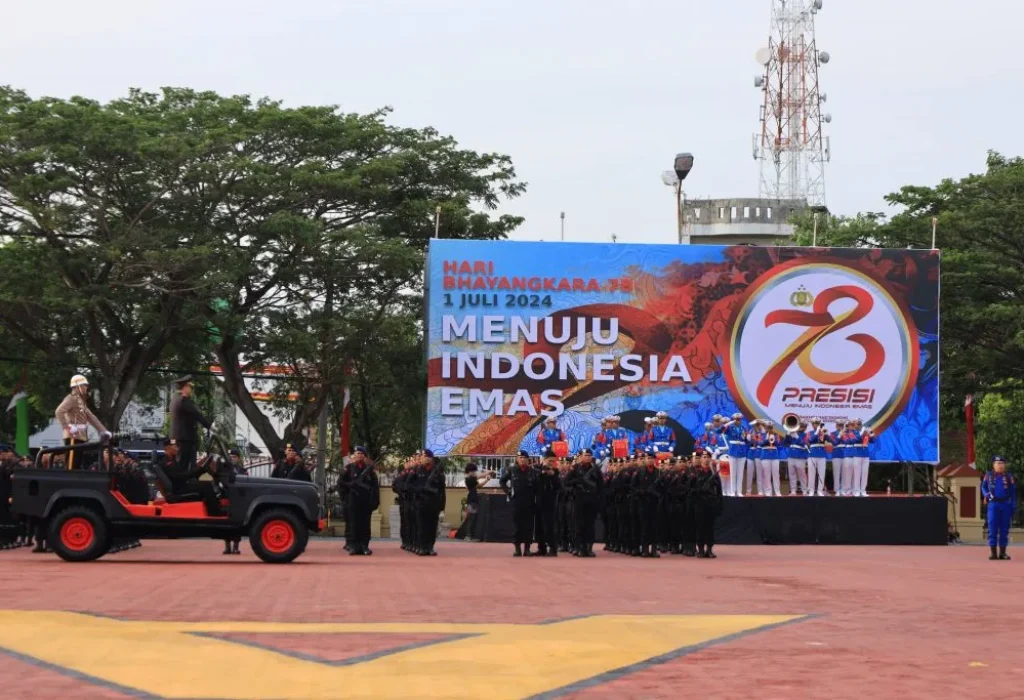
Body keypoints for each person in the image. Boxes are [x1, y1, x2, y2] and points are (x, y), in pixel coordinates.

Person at [55, 374, 112, 470]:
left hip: (80, 436)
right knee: (71, 466)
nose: (86, 387)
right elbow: (59, 411)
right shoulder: (71, 398)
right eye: (84, 385)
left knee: (76, 465)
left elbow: (91, 417)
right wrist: (66, 427)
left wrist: (103, 431)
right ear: (78, 386)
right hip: (73, 436)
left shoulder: (80, 400)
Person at [168, 376, 212, 474]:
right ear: (185, 387)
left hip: (177, 438)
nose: (191, 389)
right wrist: (210, 426)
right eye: (189, 386)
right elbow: (197, 415)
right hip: (185, 439)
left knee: (179, 464)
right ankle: (183, 486)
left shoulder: (174, 400)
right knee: (185, 465)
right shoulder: (183, 401)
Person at [500, 450, 540, 557]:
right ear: (517, 459)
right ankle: (517, 548)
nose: (522, 460)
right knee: (517, 525)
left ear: (528, 460)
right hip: (516, 502)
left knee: (528, 526)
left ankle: (527, 549)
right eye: (520, 458)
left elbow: (538, 486)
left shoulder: (532, 471)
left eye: (524, 458)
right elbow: (502, 481)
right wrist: (508, 492)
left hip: (529, 502)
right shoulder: (512, 470)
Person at [981, 455, 1016, 561]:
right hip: (993, 504)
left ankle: (1003, 553)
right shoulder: (988, 475)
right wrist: (986, 494)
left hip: (1005, 504)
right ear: (993, 465)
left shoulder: (1009, 477)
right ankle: (993, 553)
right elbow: (983, 487)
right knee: (992, 528)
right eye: (998, 464)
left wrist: (1013, 505)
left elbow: (1013, 492)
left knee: (1004, 529)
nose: (1000, 466)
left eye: (1002, 464)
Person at [411, 449, 445, 556]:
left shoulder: (438, 472)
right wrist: (420, 489)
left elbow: (442, 491)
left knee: (432, 527)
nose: (424, 458)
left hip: (433, 503)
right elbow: (410, 485)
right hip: (421, 502)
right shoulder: (417, 470)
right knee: (421, 526)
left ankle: (430, 547)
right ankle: (422, 547)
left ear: (431, 458)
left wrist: (442, 506)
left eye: (426, 456)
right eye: (423, 456)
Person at [694, 451, 723, 558]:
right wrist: (699, 490)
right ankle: (700, 549)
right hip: (699, 503)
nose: (706, 459)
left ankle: (709, 549)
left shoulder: (713, 474)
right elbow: (689, 489)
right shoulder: (696, 473)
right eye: (704, 457)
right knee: (700, 527)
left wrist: (719, 504)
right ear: (700, 459)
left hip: (710, 503)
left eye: (708, 457)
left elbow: (719, 491)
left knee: (710, 528)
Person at [535, 453, 560, 556]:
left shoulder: (556, 472)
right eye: (550, 461)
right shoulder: (536, 469)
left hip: (550, 503)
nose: (552, 464)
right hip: (538, 501)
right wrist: (542, 472)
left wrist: (552, 475)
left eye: (554, 461)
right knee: (538, 526)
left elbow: (559, 486)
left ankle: (553, 548)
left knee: (549, 526)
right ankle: (541, 548)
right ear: (544, 460)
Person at [223, 449, 245, 555]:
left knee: (236, 524)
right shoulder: (225, 469)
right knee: (226, 524)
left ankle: (236, 547)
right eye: (231, 457)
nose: (232, 459)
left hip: (238, 499)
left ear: (238, 458)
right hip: (227, 498)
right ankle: (227, 547)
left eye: (234, 457)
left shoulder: (242, 470)